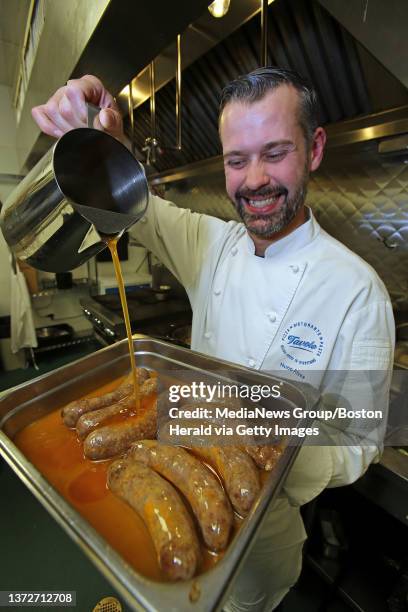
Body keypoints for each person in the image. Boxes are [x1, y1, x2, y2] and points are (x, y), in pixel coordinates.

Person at [32, 68, 395, 610]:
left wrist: (261, 446)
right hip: (169, 491)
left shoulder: (359, 292)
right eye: (236, 159)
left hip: (264, 538)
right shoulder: (211, 242)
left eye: (275, 153)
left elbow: (361, 440)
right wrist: (100, 139)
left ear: (314, 148)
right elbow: (133, 205)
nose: (254, 181)